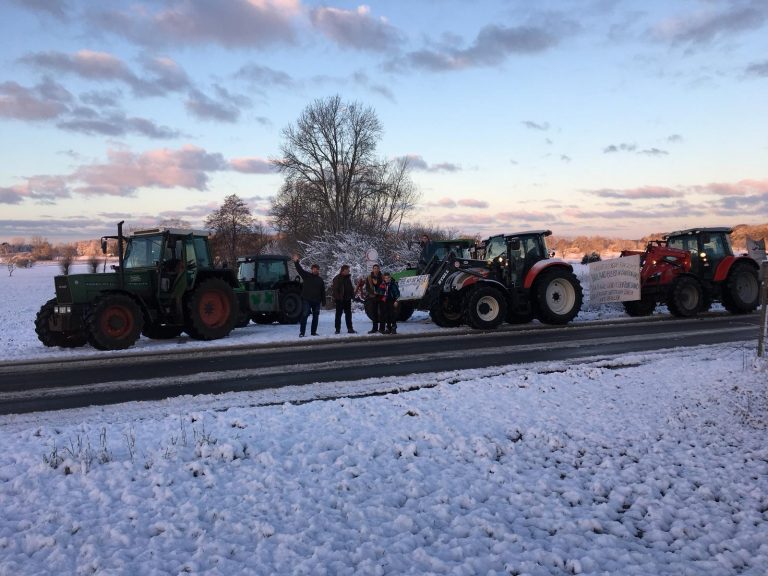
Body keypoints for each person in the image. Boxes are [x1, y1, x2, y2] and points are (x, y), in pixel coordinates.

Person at [292, 255, 325, 337]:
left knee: (316, 317)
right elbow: (299, 270)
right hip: (306, 299)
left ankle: (313, 332)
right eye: (313, 269)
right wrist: (296, 262)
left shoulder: (320, 280)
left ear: (318, 270)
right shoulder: (306, 276)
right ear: (311, 270)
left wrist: (323, 301)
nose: (315, 270)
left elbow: (322, 291)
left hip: (316, 301)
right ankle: (302, 333)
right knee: (304, 315)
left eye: (316, 269)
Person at [331, 264, 356, 334]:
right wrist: (338, 298)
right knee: (338, 315)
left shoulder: (348, 279)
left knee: (348, 315)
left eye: (348, 270)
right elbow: (335, 290)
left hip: (347, 300)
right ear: (343, 270)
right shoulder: (337, 278)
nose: (349, 271)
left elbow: (350, 288)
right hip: (340, 300)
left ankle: (350, 328)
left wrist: (352, 296)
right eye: (348, 270)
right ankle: (337, 329)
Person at [365, 264, 384, 334]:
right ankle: (374, 328)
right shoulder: (369, 277)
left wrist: (377, 284)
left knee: (382, 313)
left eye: (377, 268)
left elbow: (384, 286)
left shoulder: (382, 277)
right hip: (373, 297)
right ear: (372, 269)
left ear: (379, 269)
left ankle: (382, 328)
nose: (376, 270)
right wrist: (373, 292)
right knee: (374, 313)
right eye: (374, 268)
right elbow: (367, 288)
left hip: (381, 296)